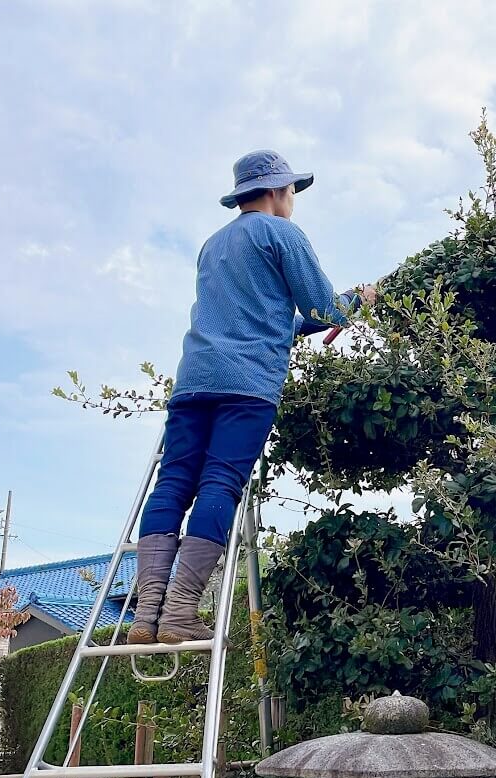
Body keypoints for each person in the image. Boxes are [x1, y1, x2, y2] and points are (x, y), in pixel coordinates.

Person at [129, 149, 375, 644]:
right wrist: (357, 304)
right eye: (292, 192)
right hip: (246, 386)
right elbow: (324, 305)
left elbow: (281, 320)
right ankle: (179, 612)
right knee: (221, 480)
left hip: (194, 380)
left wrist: (328, 316)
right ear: (277, 191)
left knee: (173, 482)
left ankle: (146, 616)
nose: (293, 202)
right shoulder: (280, 233)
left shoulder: (212, 245)